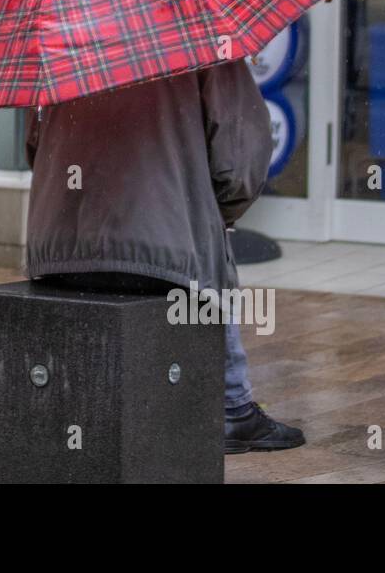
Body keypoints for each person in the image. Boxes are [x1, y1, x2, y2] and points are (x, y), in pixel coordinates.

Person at [23, 59, 307, 454]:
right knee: (205, 245)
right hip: (162, 257)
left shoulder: (63, 40)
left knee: (191, 234)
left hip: (59, 253)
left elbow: (35, 146)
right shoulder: (200, 35)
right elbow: (239, 159)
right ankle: (231, 407)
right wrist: (210, 215)